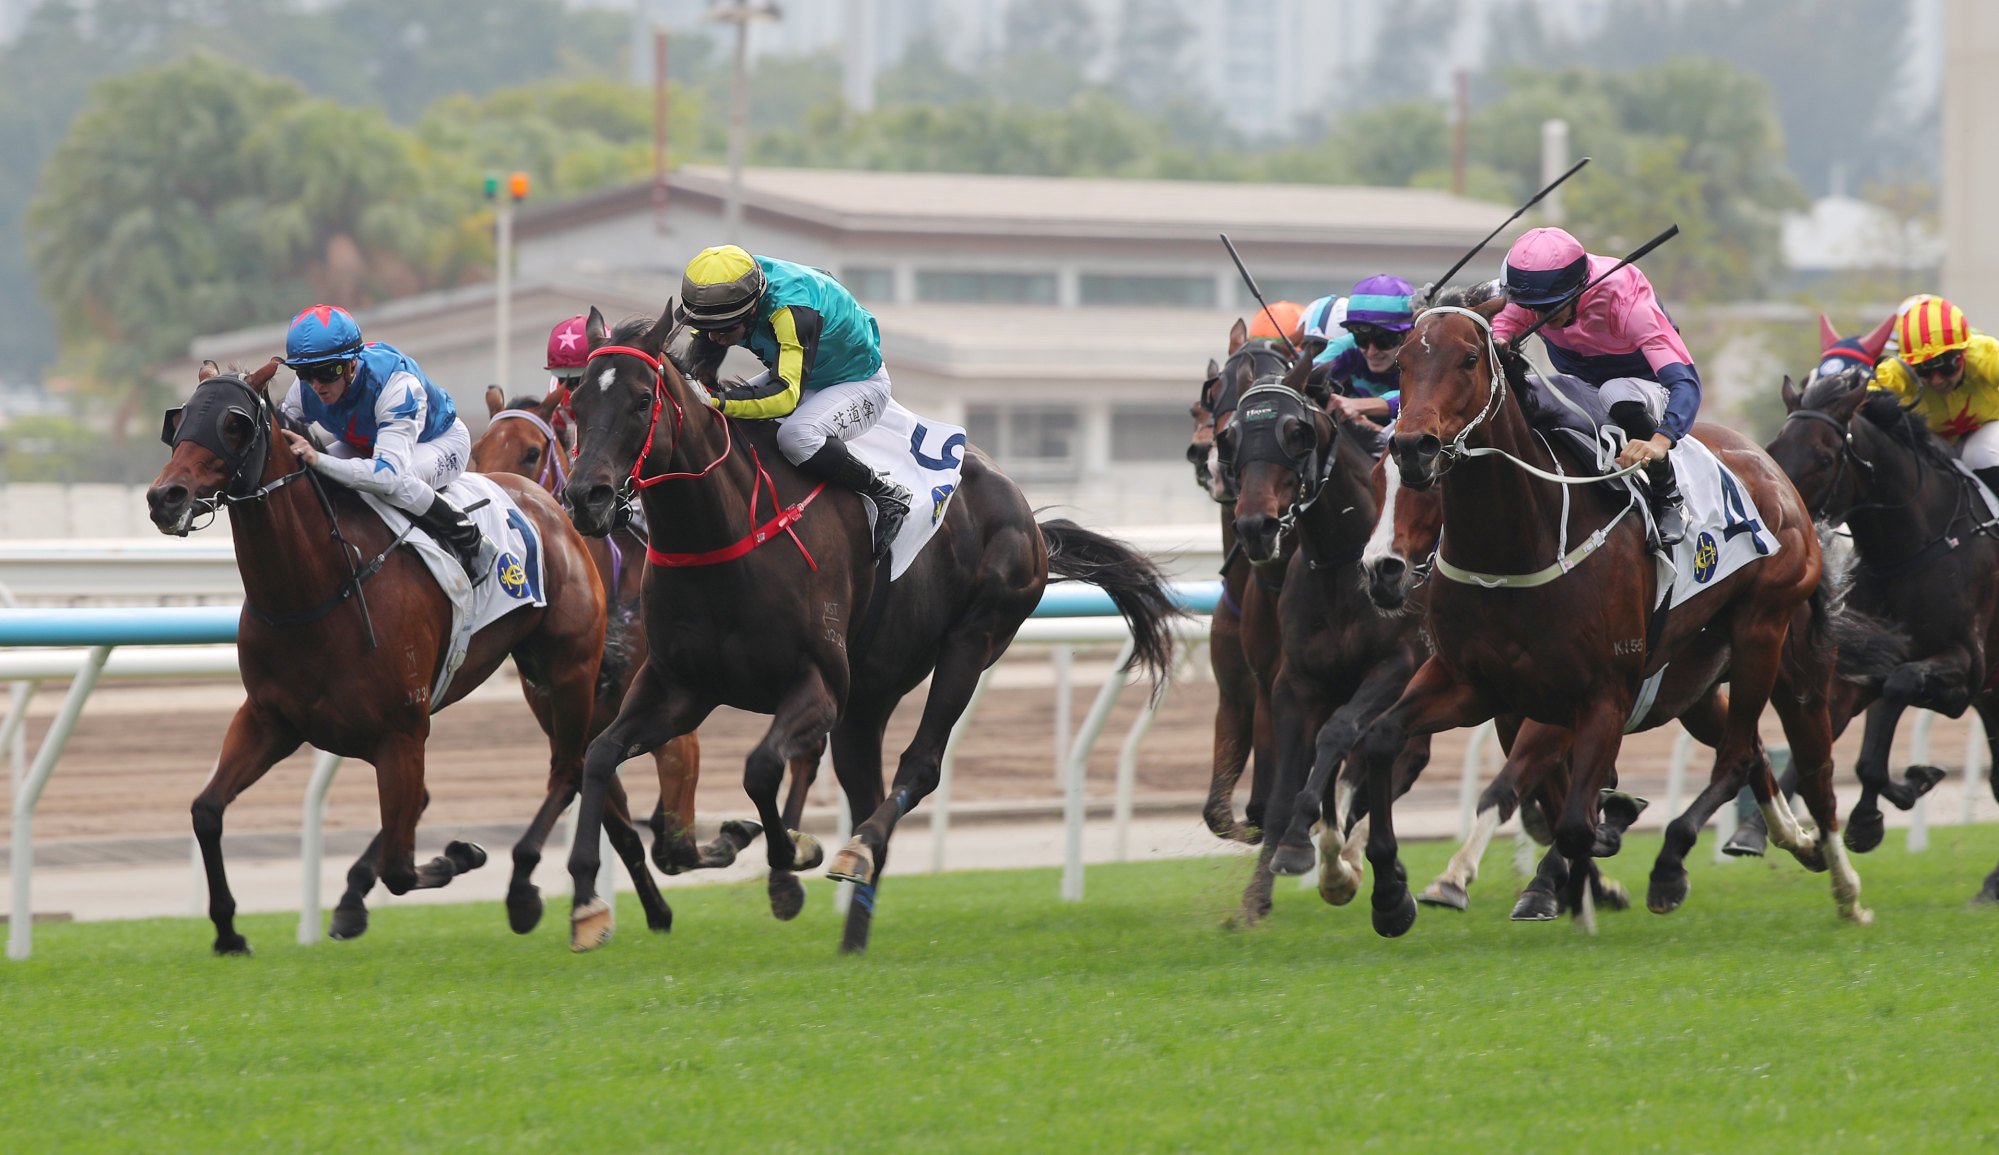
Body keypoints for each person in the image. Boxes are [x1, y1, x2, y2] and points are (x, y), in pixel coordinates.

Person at [677, 245, 911, 561]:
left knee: (795, 437)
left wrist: (717, 401)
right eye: (707, 328)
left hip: (858, 383)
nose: (714, 337)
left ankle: (885, 492)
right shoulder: (727, 287)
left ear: (750, 311)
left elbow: (786, 395)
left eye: (724, 329)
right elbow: (702, 356)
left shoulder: (789, 312)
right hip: (811, 370)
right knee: (725, 420)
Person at [1491, 227, 1694, 548]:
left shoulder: (1626, 298)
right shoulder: (1528, 293)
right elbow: (1503, 323)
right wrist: (1498, 341)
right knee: (1518, 395)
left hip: (1648, 390)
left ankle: (1668, 494)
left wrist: (1660, 440)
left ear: (1580, 288)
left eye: (1552, 306)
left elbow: (1685, 381)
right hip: (1585, 386)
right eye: (1533, 307)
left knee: (1615, 393)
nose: (1541, 316)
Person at [277, 304, 498, 584]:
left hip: (439, 442)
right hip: (367, 445)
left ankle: (470, 539)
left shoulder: (396, 386)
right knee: (309, 476)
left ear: (351, 364)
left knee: (394, 485)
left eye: (327, 372)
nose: (317, 385)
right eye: (305, 373)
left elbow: (386, 476)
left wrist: (319, 460)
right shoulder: (304, 391)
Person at [1869, 296, 1999, 494]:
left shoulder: (1987, 354)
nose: (1936, 380)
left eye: (1946, 366)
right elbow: (1864, 396)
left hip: (1986, 435)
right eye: (1923, 370)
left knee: (1981, 452)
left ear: (1963, 353)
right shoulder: (1897, 371)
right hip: (1935, 447)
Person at [1312, 274, 1415, 427]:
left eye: (1383, 340)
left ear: (1409, 333)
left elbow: (1424, 397)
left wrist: (1358, 405)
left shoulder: (1425, 354)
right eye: (1362, 339)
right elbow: (1306, 376)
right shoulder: (1346, 347)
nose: (1371, 352)